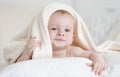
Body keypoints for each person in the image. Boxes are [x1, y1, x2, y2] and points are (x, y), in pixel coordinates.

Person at [16, 10, 106, 76]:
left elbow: (91, 54)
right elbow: (17, 67)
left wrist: (99, 60)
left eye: (67, 30)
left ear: (72, 38)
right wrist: (26, 53)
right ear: (44, 32)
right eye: (54, 28)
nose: (61, 33)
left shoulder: (72, 51)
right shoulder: (39, 50)